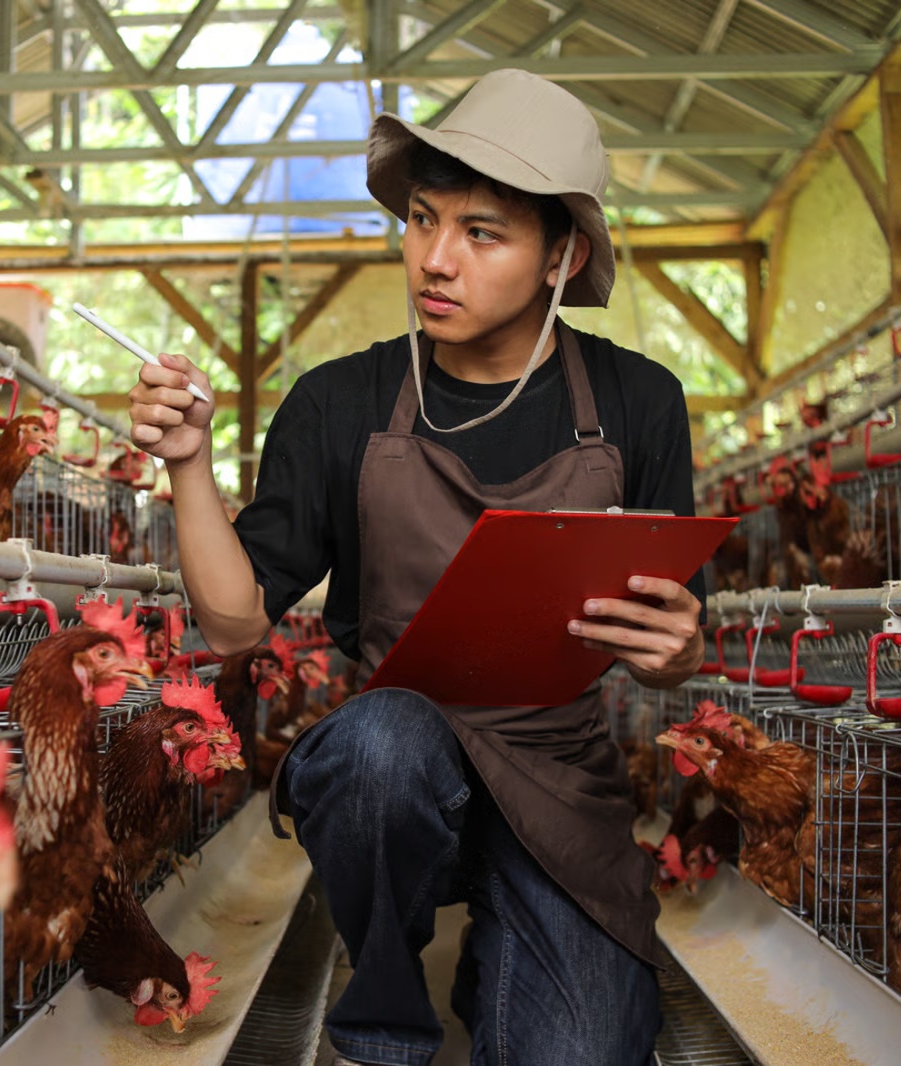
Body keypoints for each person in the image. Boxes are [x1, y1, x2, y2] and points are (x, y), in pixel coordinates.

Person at [126, 69, 704, 1066]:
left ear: (560, 254)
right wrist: (187, 465)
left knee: (584, 1052)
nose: (433, 260)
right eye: (422, 219)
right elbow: (232, 626)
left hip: (559, 778)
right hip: (396, 761)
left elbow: (671, 633)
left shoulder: (637, 402)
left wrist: (672, 652)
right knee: (382, 744)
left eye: (482, 233)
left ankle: (503, 959)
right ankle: (382, 1024)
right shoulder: (338, 403)